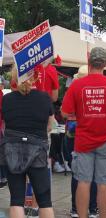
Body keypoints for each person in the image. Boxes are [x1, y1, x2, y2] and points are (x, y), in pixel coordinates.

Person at [61, 47, 106, 218]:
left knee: (83, 182)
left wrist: (80, 112)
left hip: (83, 141)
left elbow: (65, 113)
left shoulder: (77, 85)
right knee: (104, 185)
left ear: (89, 63)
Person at [0, 68, 55, 218]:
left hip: (12, 150)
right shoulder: (44, 98)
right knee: (44, 201)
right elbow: (50, 126)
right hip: (38, 150)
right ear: (35, 77)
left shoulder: (7, 99)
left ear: (14, 79)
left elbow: (5, 123)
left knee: (16, 200)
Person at [64, 65, 98, 218]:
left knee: (77, 174)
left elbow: (65, 112)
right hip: (93, 134)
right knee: (95, 174)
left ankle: (76, 208)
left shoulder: (73, 90)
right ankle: (92, 208)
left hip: (75, 135)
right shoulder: (96, 92)